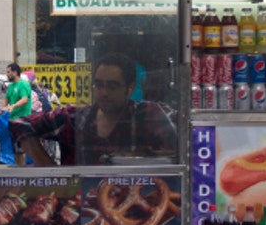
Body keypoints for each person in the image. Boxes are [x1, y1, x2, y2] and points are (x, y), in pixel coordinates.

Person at [9, 52, 177, 166]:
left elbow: (176, 154)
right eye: (99, 85)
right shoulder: (73, 118)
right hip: (78, 208)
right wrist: (51, 169)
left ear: (130, 88)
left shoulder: (148, 115)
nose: (104, 93)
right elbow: (20, 124)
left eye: (112, 86)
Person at [2, 63, 33, 164]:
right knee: (15, 149)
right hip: (13, 120)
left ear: (15, 72)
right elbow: (5, 100)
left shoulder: (23, 84)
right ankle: (19, 169)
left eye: (9, 72)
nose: (7, 74)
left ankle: (22, 171)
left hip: (22, 120)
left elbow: (24, 99)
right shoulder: (11, 86)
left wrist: (13, 106)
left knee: (20, 149)